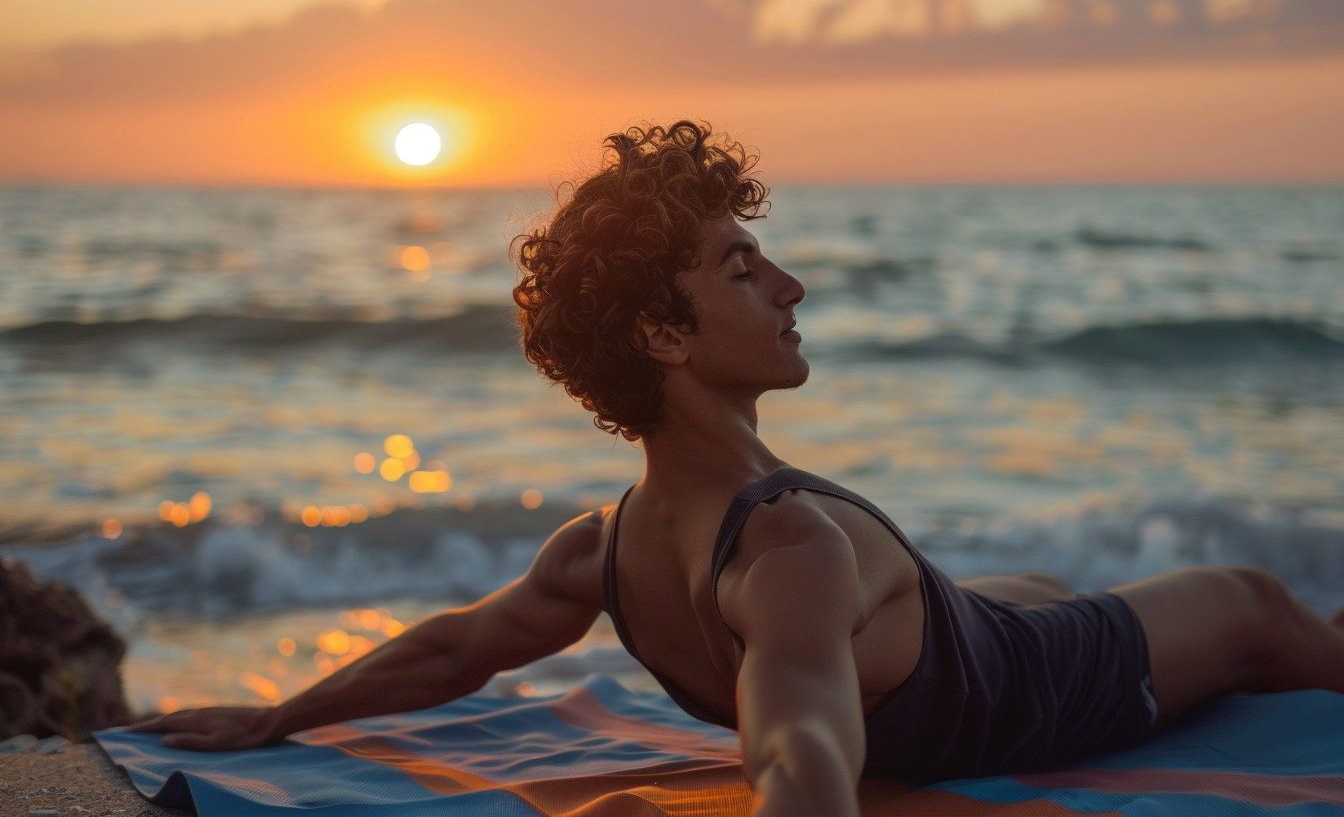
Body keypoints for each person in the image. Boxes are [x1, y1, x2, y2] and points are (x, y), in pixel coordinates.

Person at [132, 121, 1344, 817]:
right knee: (1254, 603)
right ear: (665, 334)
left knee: (1005, 585)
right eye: (744, 268)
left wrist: (279, 712)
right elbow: (798, 749)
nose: (791, 286)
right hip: (1044, 683)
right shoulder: (788, 552)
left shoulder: (599, 549)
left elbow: (461, 645)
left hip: (963, 628)